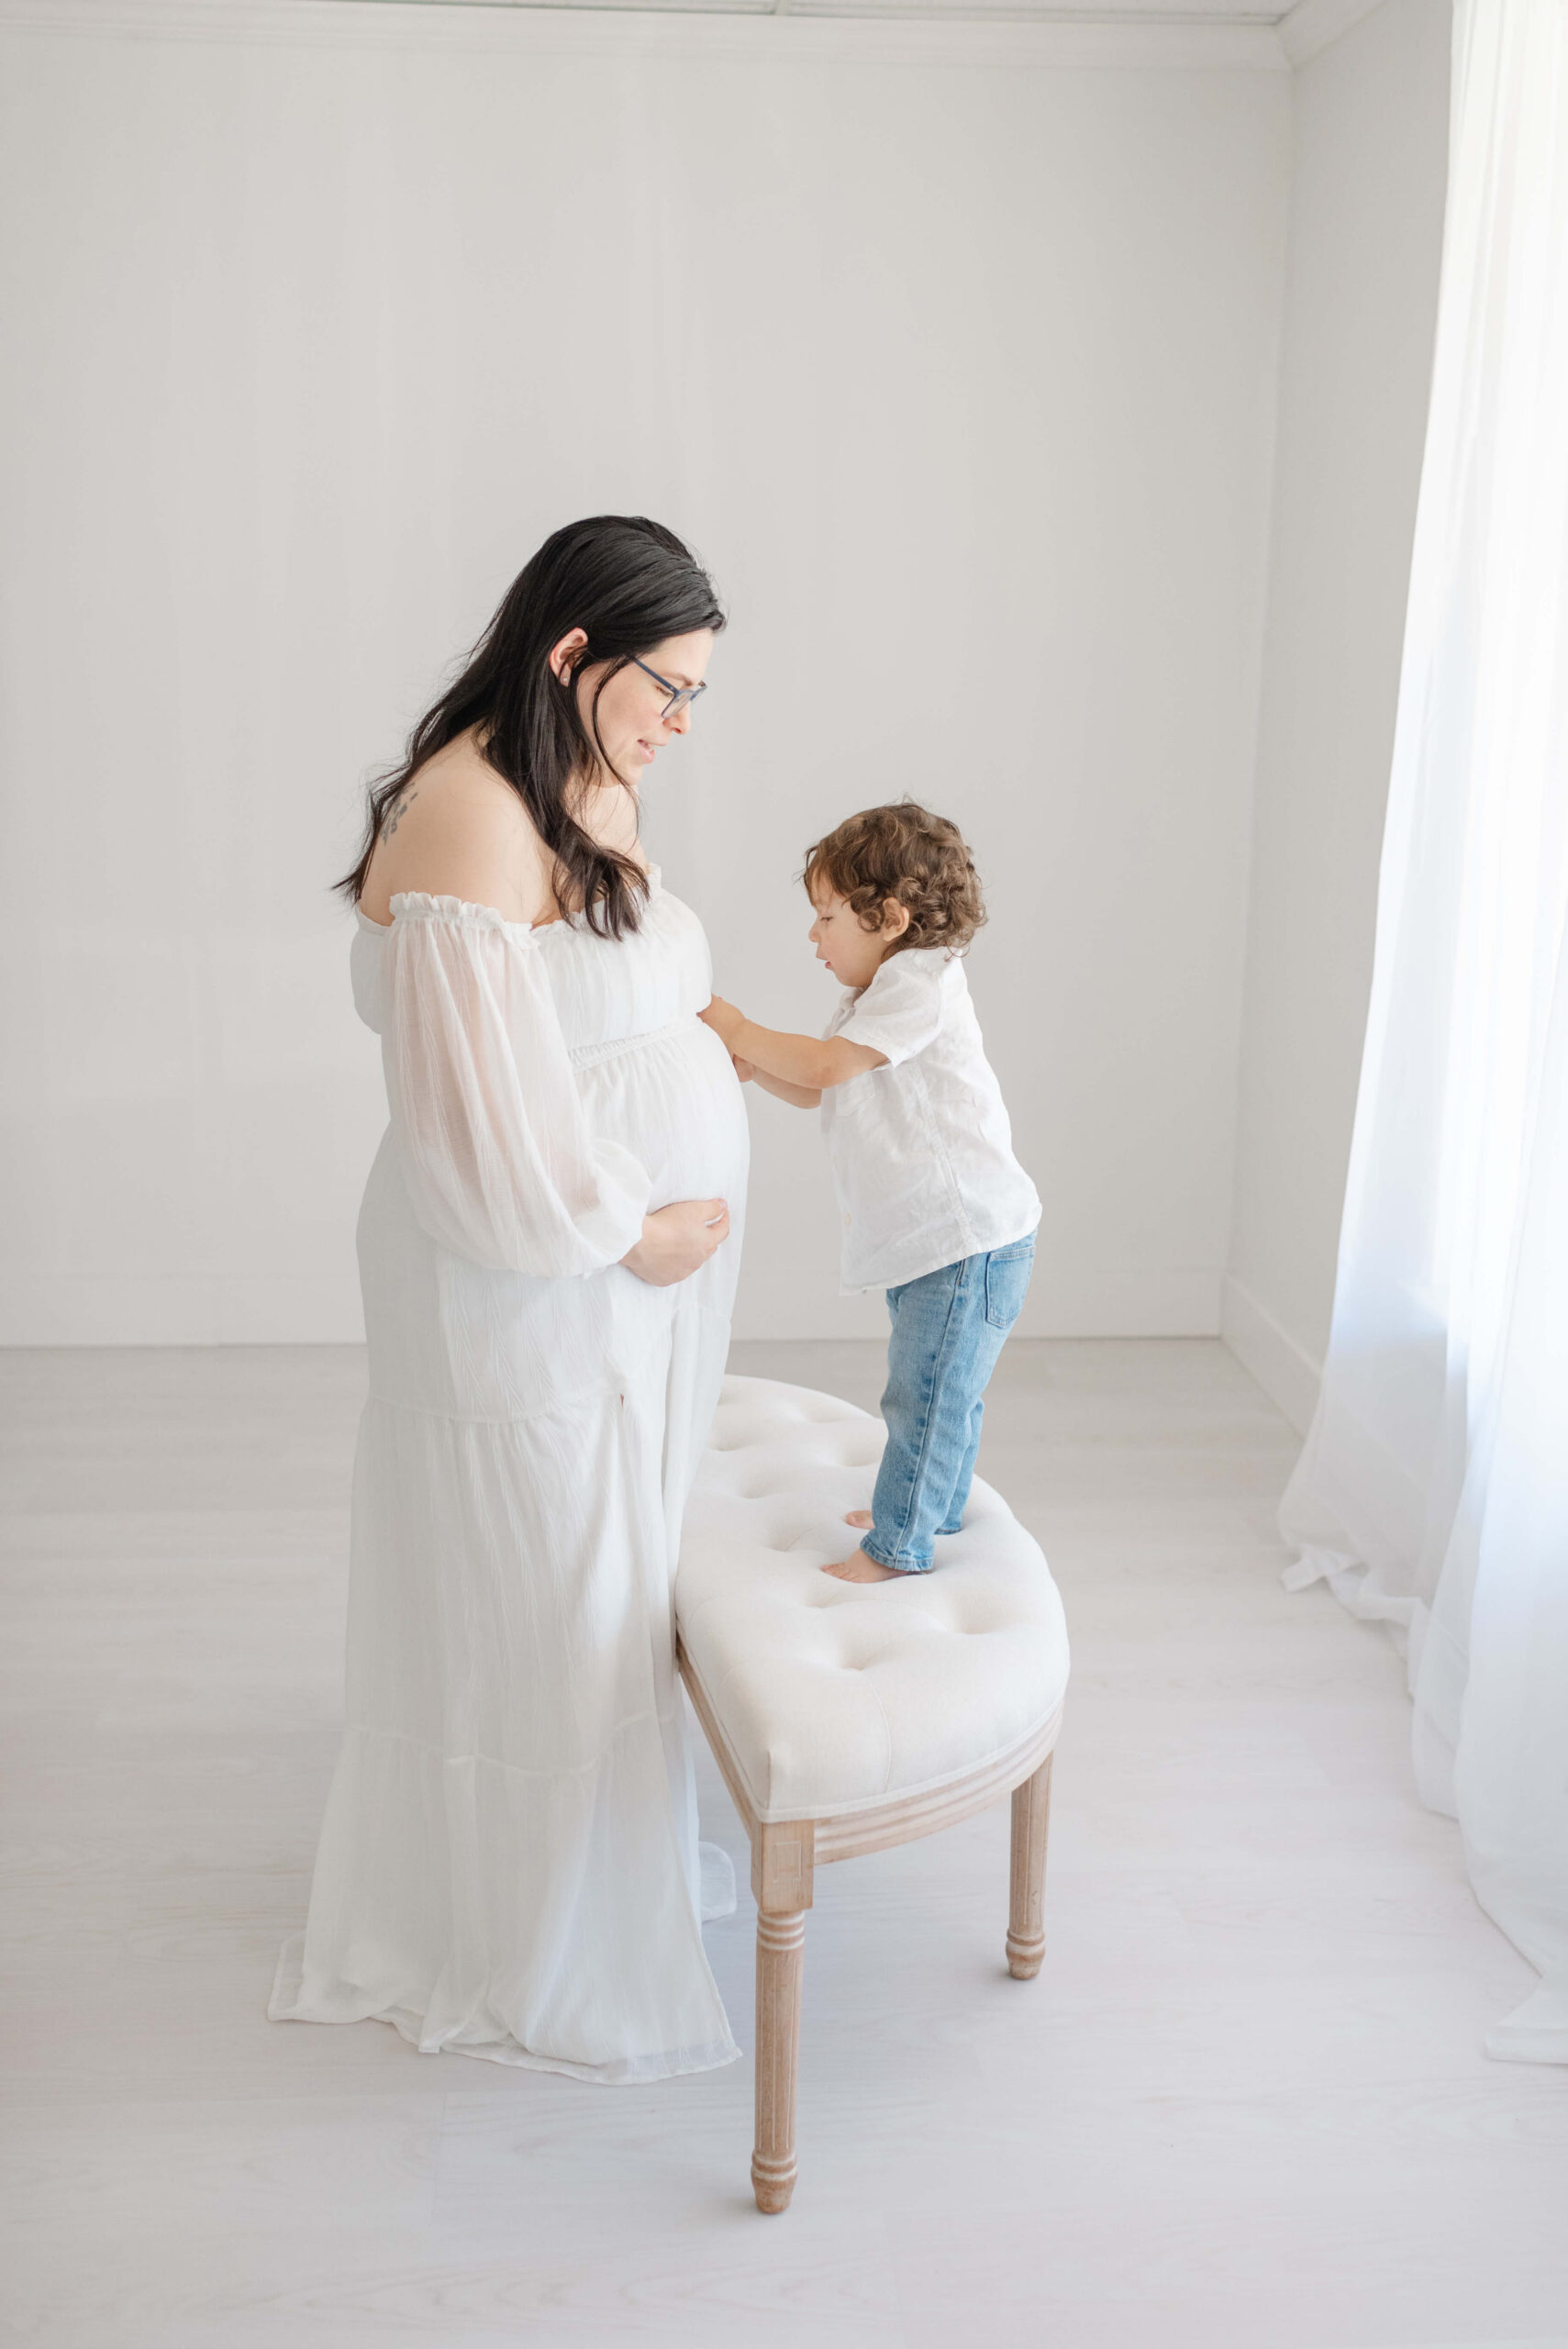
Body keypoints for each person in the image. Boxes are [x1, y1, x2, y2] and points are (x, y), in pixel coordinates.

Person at [269, 517, 747, 2082]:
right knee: (539, 1574)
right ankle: (523, 1929)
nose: (678, 722)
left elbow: (622, 997)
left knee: (603, 1569)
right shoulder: (467, 811)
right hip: (528, 1269)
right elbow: (465, 1134)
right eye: (662, 688)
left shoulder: (583, 776)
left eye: (692, 694)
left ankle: (598, 1872)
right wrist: (635, 1236)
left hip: (612, 1269)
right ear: (569, 656)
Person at [699, 802, 1040, 1584]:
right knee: (942, 1392)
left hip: (965, 1243)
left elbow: (823, 1068)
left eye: (825, 918)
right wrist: (758, 1069)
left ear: (887, 917)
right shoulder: (881, 996)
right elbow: (827, 1089)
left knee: (923, 1399)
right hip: (939, 1244)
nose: (812, 938)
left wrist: (735, 1025)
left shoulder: (921, 985)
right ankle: (934, 1505)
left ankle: (898, 1546)